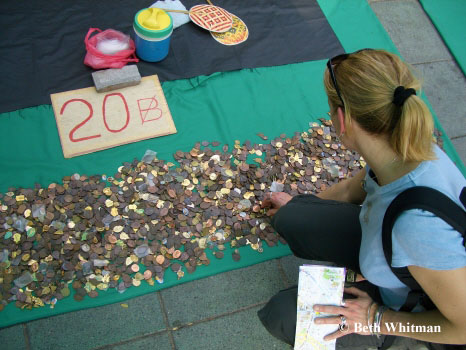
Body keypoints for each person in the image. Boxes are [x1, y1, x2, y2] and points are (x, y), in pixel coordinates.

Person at [258, 49, 466, 349]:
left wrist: (375, 318)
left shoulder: (418, 228)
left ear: (341, 119)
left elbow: (462, 329)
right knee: (292, 215)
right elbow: (351, 190)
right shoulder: (398, 149)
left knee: (282, 314)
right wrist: (299, 203)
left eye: (330, 110)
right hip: (394, 250)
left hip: (422, 311)